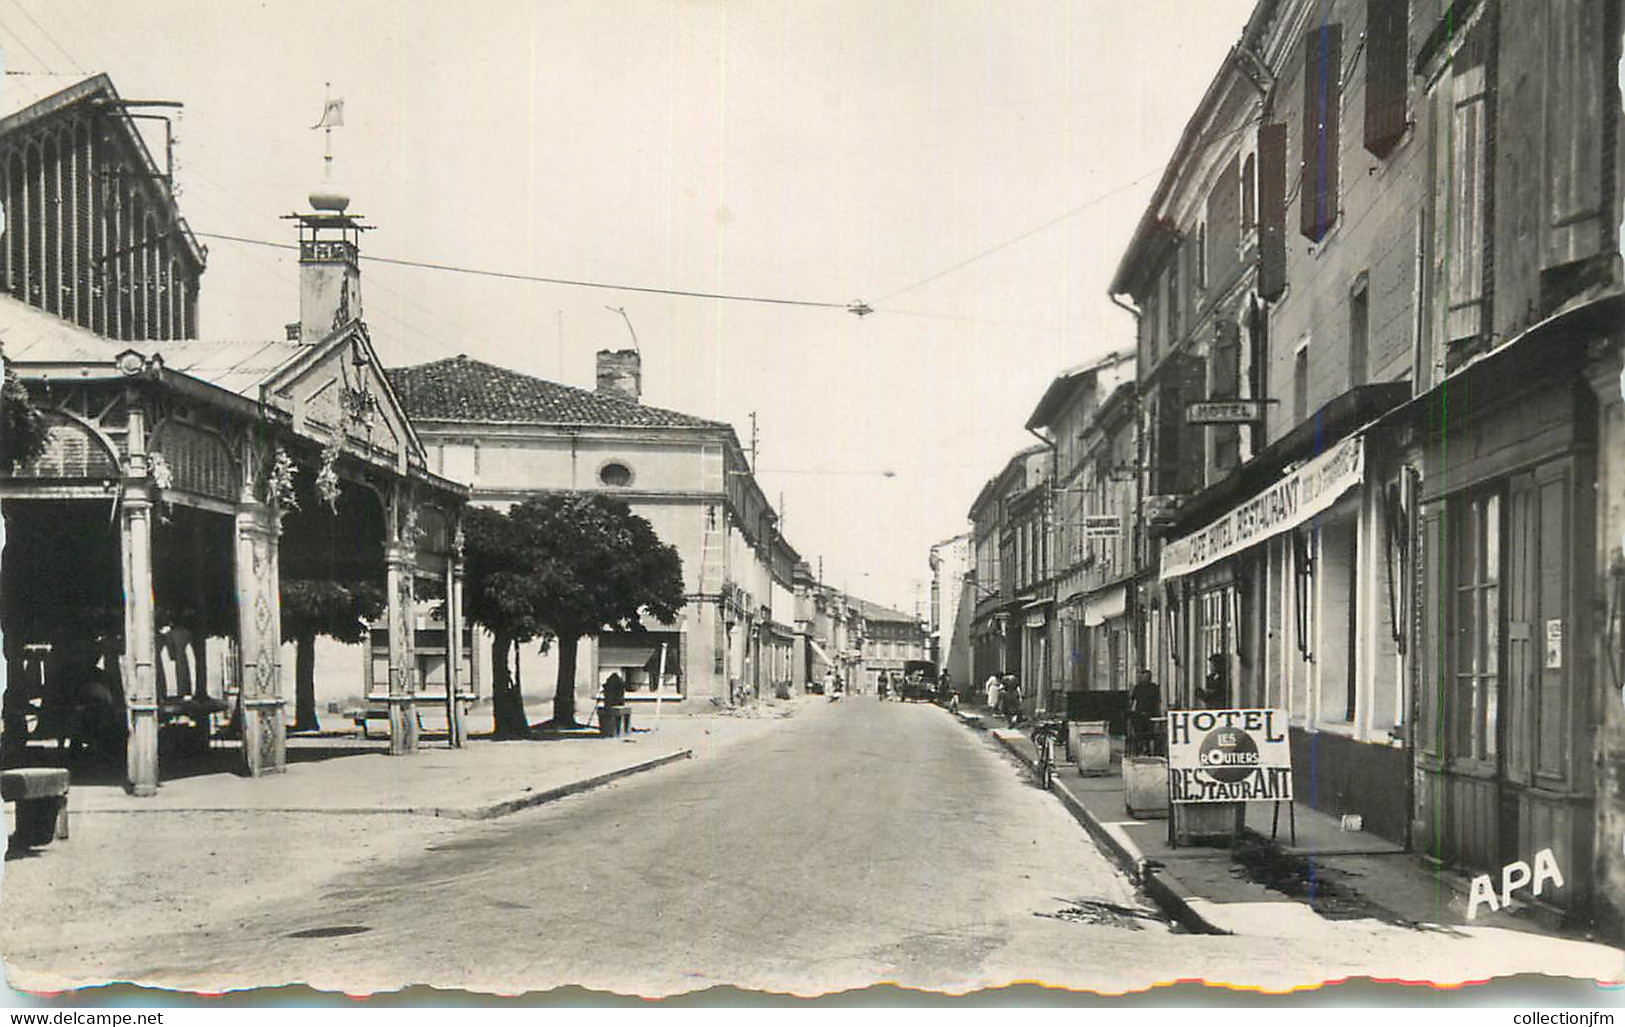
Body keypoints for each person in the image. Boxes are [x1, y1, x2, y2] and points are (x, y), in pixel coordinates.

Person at [1128, 668, 1162, 756]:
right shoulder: (1138, 687)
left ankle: (1146, 749)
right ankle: (1142, 749)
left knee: (1148, 733)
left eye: (1146, 677)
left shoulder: (1153, 687)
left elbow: (1157, 701)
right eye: (1143, 677)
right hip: (1141, 714)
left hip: (1149, 714)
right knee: (1141, 733)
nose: (1144, 679)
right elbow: (1133, 701)